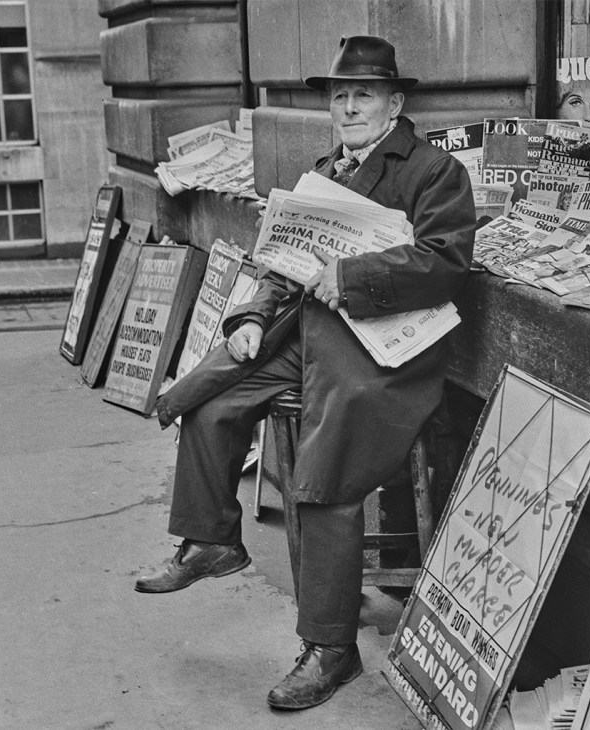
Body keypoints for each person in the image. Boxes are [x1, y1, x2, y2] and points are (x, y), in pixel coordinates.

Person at [135, 36, 476, 711]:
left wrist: (349, 275)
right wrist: (253, 316)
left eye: (364, 94)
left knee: (321, 476)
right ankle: (210, 540)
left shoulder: (432, 171)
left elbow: (445, 263)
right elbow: (280, 261)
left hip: (380, 354)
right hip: (302, 335)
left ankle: (331, 648)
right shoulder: (325, 170)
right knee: (207, 398)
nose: (349, 106)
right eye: (339, 95)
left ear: (394, 102)